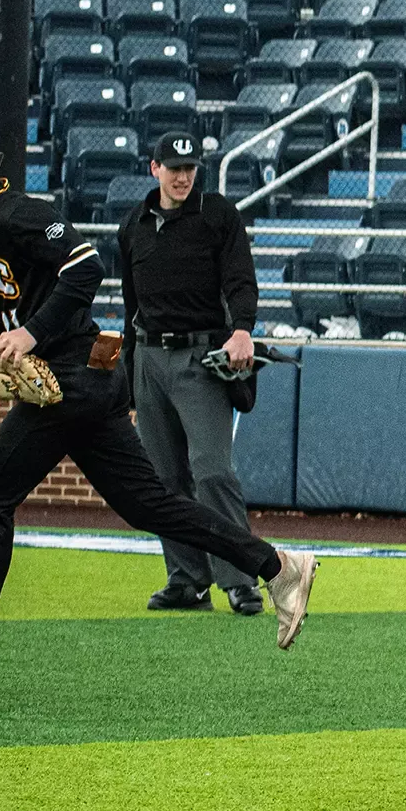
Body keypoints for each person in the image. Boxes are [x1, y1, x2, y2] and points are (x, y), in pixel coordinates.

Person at [0, 120, 316, 683]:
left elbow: (85, 267)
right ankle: (279, 567)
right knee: (150, 505)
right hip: (87, 378)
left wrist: (31, 334)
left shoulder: (18, 212)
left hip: (72, 375)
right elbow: (15, 296)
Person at [117, 132, 264, 616]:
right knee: (163, 480)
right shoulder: (133, 225)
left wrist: (242, 329)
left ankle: (239, 578)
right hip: (148, 358)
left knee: (212, 470)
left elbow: (241, 278)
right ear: (154, 168)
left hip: (200, 357)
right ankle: (187, 580)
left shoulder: (217, 214)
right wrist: (128, 380)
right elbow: (131, 306)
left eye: (190, 168)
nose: (182, 177)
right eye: (173, 168)